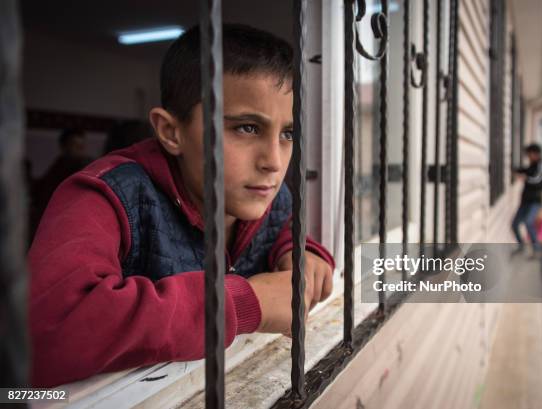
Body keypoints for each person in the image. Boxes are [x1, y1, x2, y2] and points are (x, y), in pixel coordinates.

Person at [28, 24, 335, 387]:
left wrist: (299, 250)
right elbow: (42, 337)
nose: (274, 161)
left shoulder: (265, 193)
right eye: (247, 128)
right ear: (172, 132)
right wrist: (241, 303)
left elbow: (282, 224)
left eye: (288, 134)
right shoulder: (105, 197)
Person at [29, 128, 93, 239]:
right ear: (64, 147)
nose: (80, 148)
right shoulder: (59, 168)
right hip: (56, 224)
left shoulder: (86, 167)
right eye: (75, 144)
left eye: (82, 144)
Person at [511, 143, 542, 256]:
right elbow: (525, 170)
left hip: (535, 202)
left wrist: (525, 178)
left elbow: (537, 180)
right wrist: (515, 170)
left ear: (535, 154)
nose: (528, 156)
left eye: (529, 154)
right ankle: (521, 246)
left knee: (528, 222)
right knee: (514, 224)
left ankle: (536, 249)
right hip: (525, 201)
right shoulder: (532, 165)